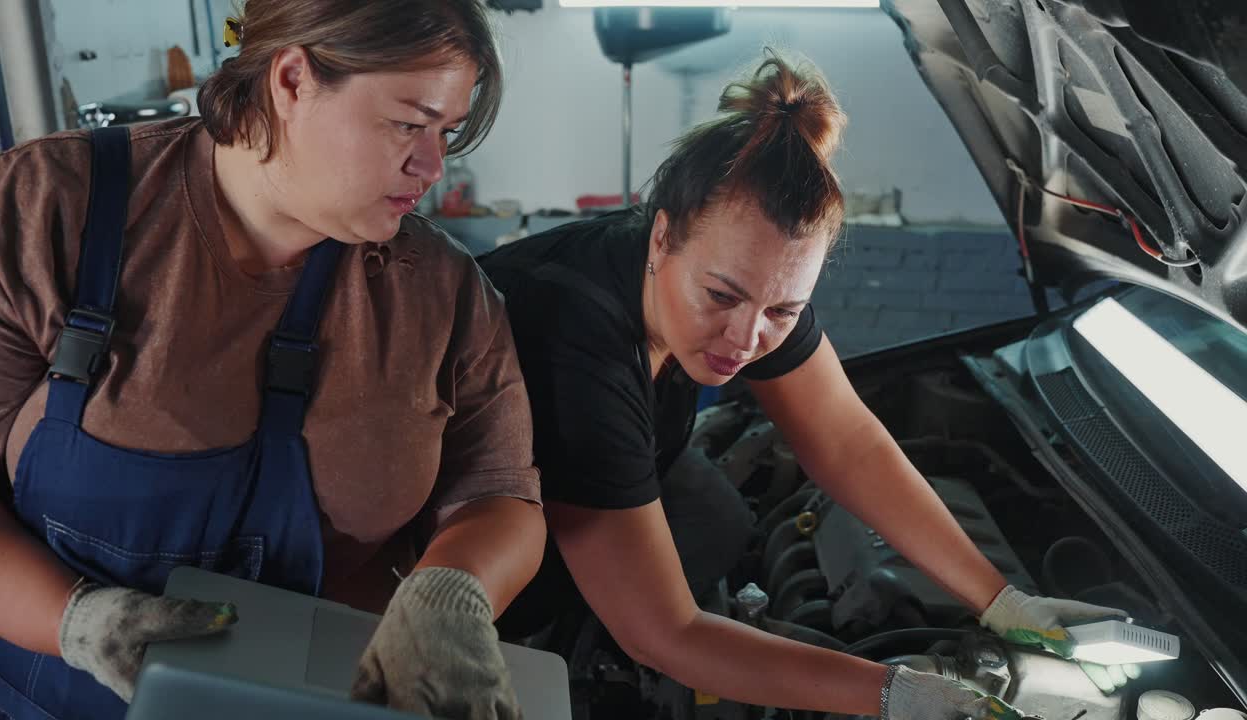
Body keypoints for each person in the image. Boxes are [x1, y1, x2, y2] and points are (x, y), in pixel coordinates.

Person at [479, 50, 1137, 719]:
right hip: (451, 539)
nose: (746, 339)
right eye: (721, 296)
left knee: (715, 520)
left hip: (610, 460)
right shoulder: (577, 343)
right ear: (661, 237)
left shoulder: (753, 277)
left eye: (782, 313)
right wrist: (890, 692)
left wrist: (1005, 604)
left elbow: (846, 439)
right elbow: (664, 631)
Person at [0, 2, 545, 719]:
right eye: (408, 123)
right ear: (293, 78)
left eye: (446, 132)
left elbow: (500, 494)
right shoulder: (40, 212)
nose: (433, 165)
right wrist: (74, 619)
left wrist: (453, 589)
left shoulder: (443, 295)